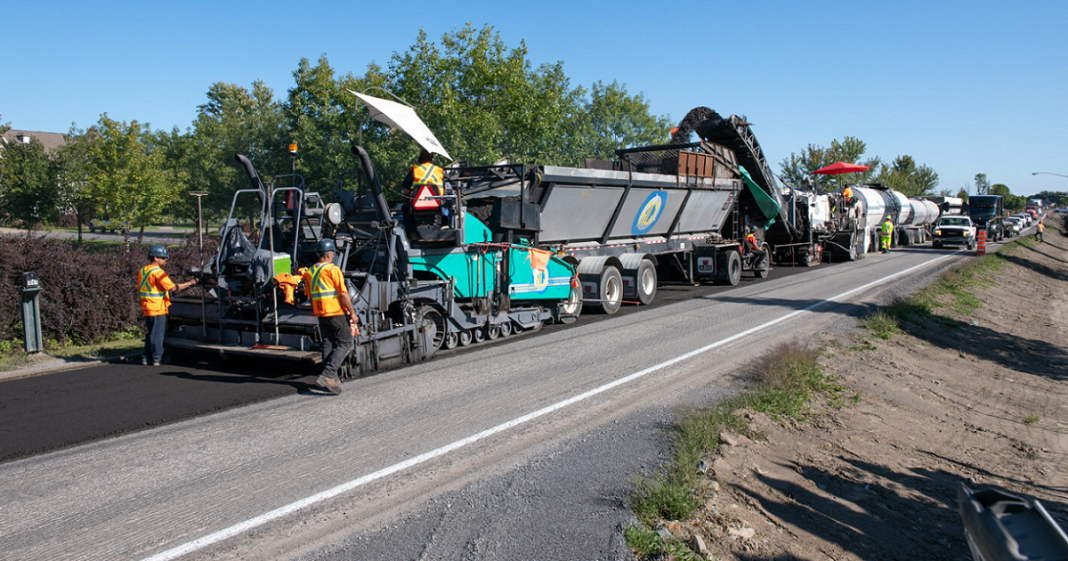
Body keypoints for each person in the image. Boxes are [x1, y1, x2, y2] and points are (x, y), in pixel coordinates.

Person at [302, 238, 359, 395]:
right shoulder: (333, 270)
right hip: (335, 311)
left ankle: (330, 378)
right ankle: (328, 375)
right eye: (333, 253)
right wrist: (352, 313)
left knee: (328, 343)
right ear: (328, 255)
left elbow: (308, 295)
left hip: (320, 313)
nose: (333, 256)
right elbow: (343, 293)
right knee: (346, 342)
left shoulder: (310, 271)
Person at [139, 245, 195, 366]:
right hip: (157, 308)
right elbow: (173, 288)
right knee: (157, 334)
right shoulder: (158, 273)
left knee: (150, 333)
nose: (165, 260)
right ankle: (157, 357)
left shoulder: (143, 270)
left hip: (146, 307)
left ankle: (146, 357)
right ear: (155, 258)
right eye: (163, 258)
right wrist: (191, 282)